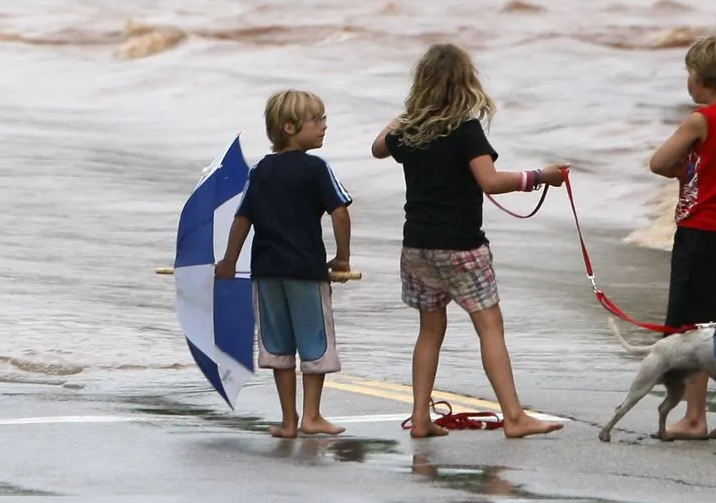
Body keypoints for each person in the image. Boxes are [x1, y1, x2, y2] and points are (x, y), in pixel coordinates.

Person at [370, 43, 565, 439]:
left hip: (418, 247)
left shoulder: (408, 131)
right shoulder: (465, 128)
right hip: (461, 248)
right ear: (466, 82)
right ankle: (513, 416)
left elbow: (377, 148)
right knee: (490, 327)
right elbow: (490, 181)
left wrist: (407, 115)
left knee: (429, 330)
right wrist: (540, 176)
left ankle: (421, 418)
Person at [215, 89, 353, 439]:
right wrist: (342, 257)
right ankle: (312, 416)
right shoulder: (317, 168)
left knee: (277, 347)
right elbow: (340, 212)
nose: (324, 127)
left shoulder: (261, 170)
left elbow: (242, 219)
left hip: (266, 273)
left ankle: (288, 421)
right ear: (290, 127)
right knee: (314, 344)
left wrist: (229, 262)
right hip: (306, 272)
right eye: (317, 120)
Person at [650, 33, 716, 442]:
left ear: (702, 79)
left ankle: (694, 417)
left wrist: (680, 169)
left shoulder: (701, 118)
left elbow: (659, 162)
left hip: (700, 233)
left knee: (693, 330)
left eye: (690, 71)